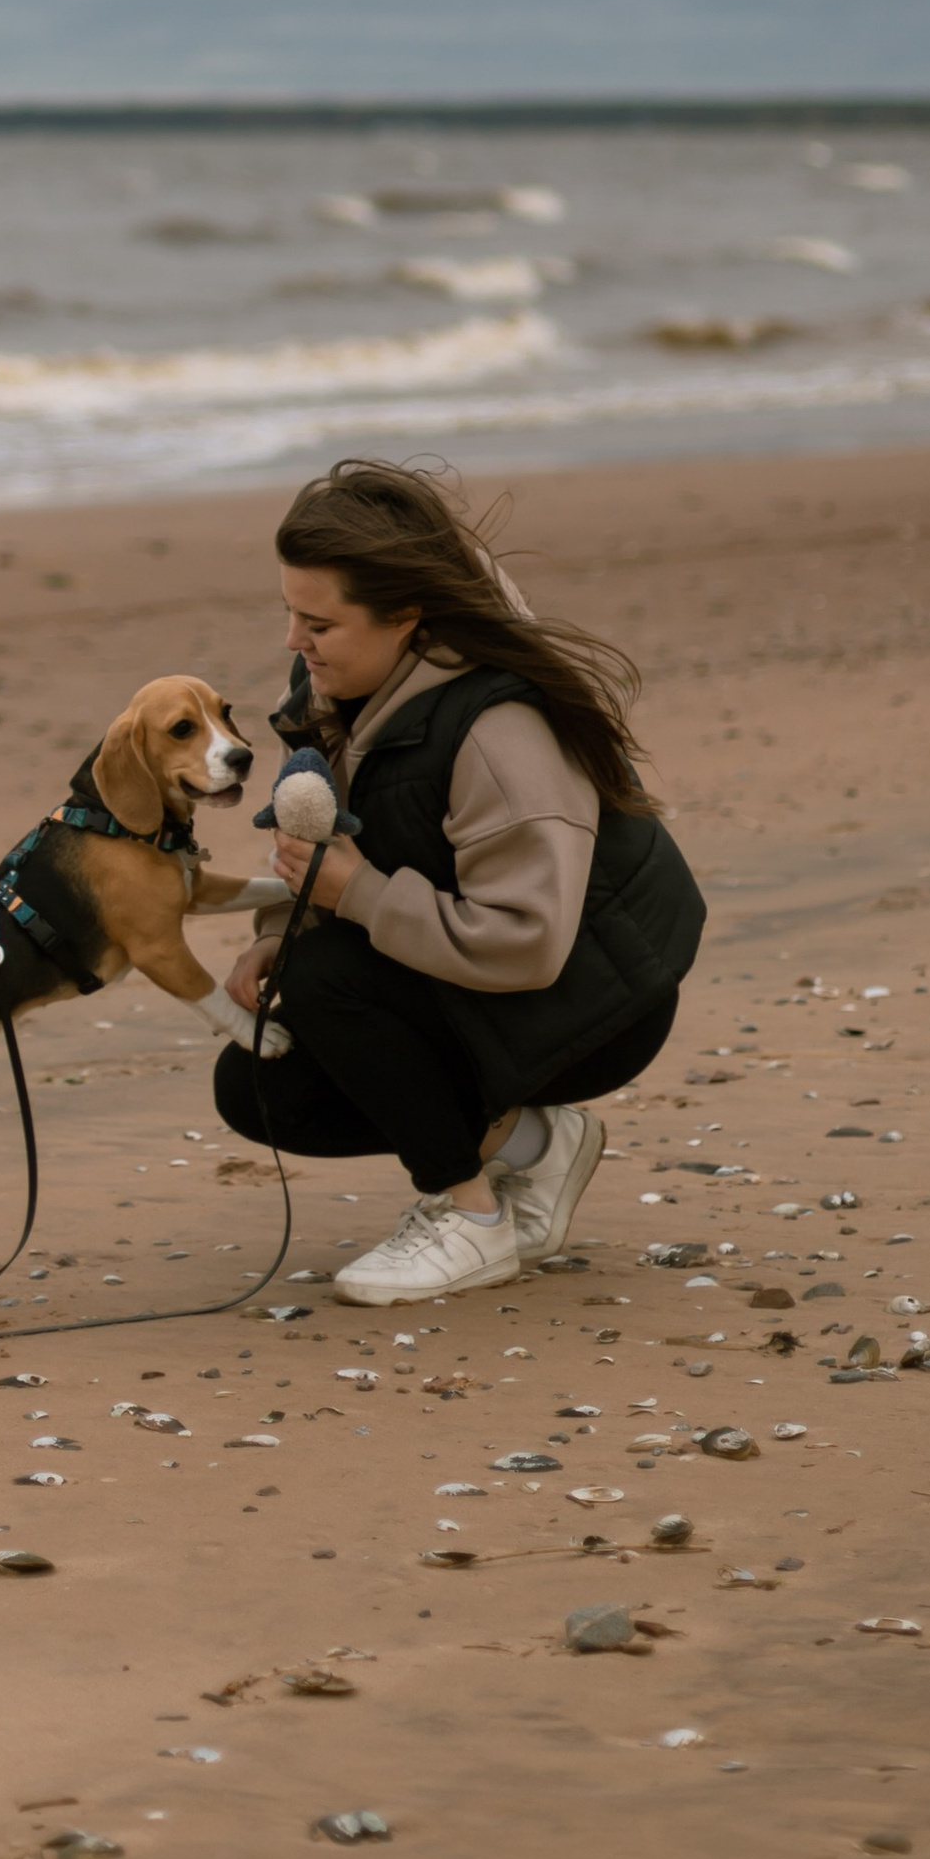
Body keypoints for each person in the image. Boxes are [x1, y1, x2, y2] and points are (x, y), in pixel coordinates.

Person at [211, 457, 704, 1303]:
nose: (293, 642)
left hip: (597, 993)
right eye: (290, 613)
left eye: (316, 623)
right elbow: (326, 832)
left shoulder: (500, 731)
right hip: (472, 957)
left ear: (404, 615)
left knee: (332, 984)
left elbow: (529, 943)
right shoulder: (341, 684)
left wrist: (353, 898)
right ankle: (529, 1148)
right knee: (260, 1084)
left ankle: (471, 1221)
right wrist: (279, 934)